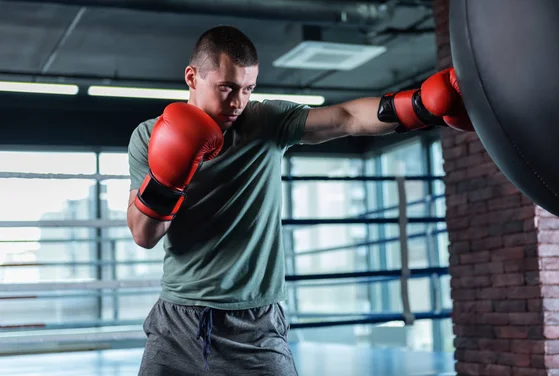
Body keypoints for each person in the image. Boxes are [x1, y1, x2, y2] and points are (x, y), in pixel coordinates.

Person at [126, 25, 472, 375]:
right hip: (178, 323)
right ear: (192, 77)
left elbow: (346, 118)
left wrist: (419, 106)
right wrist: (168, 177)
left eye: (247, 89)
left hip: (255, 324)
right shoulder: (148, 136)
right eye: (226, 88)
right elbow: (144, 235)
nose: (236, 103)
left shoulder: (264, 121)